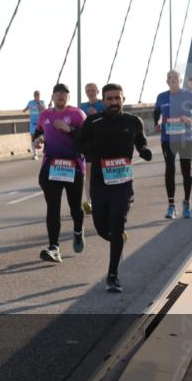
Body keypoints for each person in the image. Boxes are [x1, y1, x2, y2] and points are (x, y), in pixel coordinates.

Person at [75, 83, 152, 293]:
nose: (113, 102)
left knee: (117, 222)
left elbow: (141, 142)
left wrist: (144, 151)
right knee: (101, 226)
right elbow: (78, 143)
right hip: (100, 182)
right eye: (109, 99)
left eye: (117, 98)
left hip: (123, 183)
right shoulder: (93, 121)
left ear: (123, 99)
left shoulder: (133, 121)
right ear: (103, 101)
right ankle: (117, 238)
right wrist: (91, 151)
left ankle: (113, 276)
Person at [32, 84, 87, 263]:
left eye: (64, 94)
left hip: (74, 166)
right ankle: (54, 247)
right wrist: (38, 140)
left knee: (75, 208)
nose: (61, 96)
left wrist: (69, 129)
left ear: (68, 97)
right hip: (51, 166)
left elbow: (87, 138)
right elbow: (38, 132)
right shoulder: (45, 115)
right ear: (53, 96)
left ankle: (78, 231)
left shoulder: (77, 114)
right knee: (53, 208)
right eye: (57, 93)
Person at [154, 71, 192, 219]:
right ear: (167, 81)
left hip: (185, 139)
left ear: (181, 80)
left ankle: (186, 203)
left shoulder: (189, 95)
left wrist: (190, 118)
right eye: (170, 78)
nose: (173, 80)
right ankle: (171, 206)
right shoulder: (162, 96)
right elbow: (156, 112)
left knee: (186, 171)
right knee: (169, 170)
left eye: (176, 78)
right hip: (167, 139)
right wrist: (157, 123)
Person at [78, 82, 104, 215]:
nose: (90, 92)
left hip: (104, 143)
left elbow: (110, 120)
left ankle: (104, 199)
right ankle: (89, 202)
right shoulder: (82, 107)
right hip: (89, 144)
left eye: (93, 90)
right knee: (88, 172)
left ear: (98, 91)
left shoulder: (104, 104)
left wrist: (97, 113)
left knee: (103, 172)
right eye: (88, 91)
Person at [23, 91, 46, 160]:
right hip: (32, 123)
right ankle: (35, 154)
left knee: (42, 137)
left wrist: (39, 103)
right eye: (35, 95)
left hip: (40, 123)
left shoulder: (42, 102)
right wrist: (23, 110)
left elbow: (45, 110)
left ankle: (45, 150)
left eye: (38, 95)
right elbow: (26, 108)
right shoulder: (30, 102)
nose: (36, 97)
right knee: (33, 138)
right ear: (34, 96)